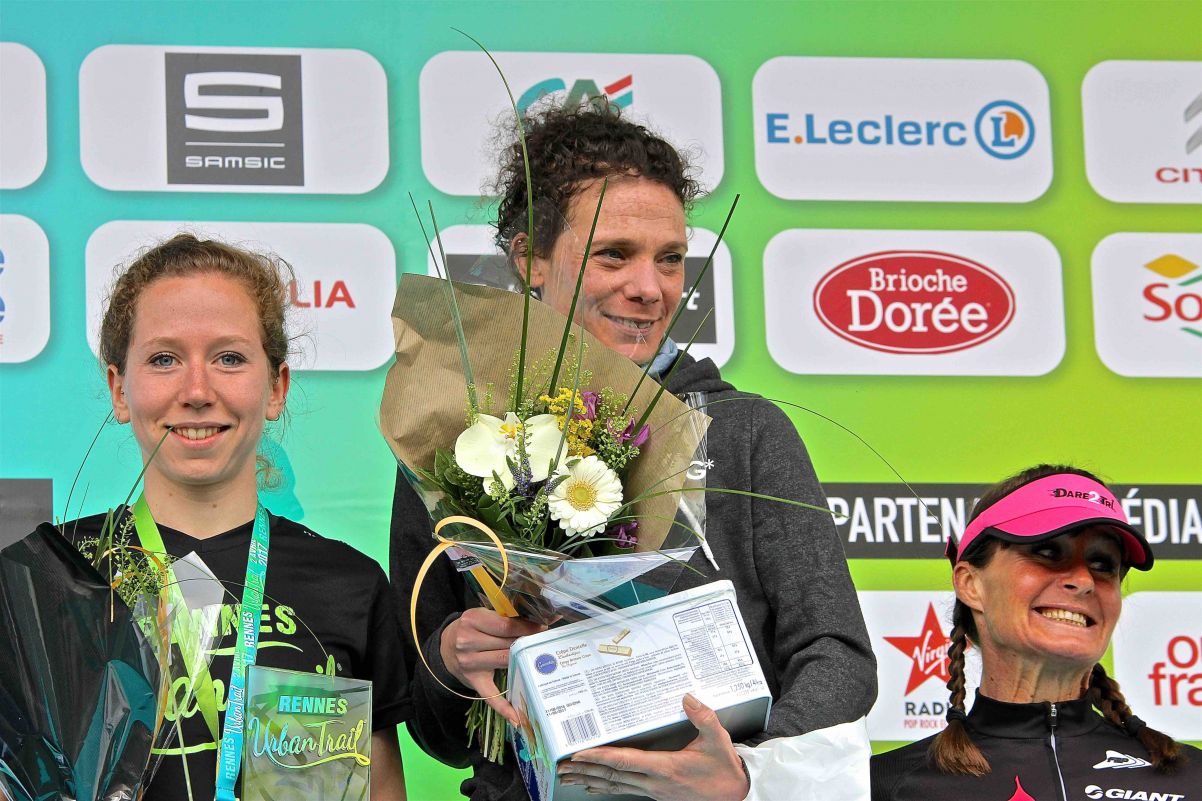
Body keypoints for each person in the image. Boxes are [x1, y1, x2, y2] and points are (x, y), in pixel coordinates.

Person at [390, 104, 876, 801]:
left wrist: (745, 770)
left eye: (671, 258)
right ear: (530, 258)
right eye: (614, 253)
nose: (650, 288)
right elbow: (437, 727)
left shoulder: (744, 430)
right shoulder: (462, 441)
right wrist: (447, 655)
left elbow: (838, 656)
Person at [72, 234, 410, 800]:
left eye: (229, 358)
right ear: (119, 389)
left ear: (276, 387)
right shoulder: (49, 578)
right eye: (164, 359)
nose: (198, 390)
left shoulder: (348, 585)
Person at [870, 464, 1199, 801]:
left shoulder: (1193, 779)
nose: (1084, 581)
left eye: (1103, 564)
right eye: (1047, 552)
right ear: (970, 584)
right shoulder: (884, 786)